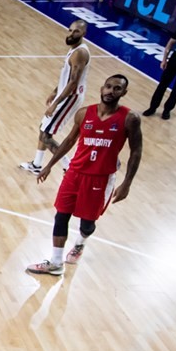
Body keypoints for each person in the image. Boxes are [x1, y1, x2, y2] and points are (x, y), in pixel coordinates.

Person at [26, 75, 143, 275]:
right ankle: (55, 263)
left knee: (87, 224)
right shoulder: (84, 114)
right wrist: (50, 165)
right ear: (101, 88)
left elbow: (136, 151)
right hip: (75, 173)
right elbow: (70, 140)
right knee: (61, 216)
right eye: (108, 86)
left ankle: (80, 242)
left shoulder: (130, 118)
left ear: (123, 93)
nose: (110, 91)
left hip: (100, 178)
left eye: (117, 89)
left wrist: (127, 183)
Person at [19, 20, 90, 176]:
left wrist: (56, 102)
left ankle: (70, 168)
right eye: (70, 30)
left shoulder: (80, 53)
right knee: (43, 128)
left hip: (70, 97)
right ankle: (37, 164)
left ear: (83, 33)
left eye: (76, 32)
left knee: (46, 135)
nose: (71, 34)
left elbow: (73, 82)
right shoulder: (74, 50)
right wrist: (55, 91)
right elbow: (68, 78)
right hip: (64, 95)